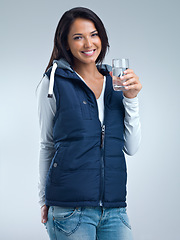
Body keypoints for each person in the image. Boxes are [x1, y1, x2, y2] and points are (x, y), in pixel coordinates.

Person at [37, 7, 142, 240]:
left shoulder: (117, 83)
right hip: (69, 210)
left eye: (94, 34)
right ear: (65, 43)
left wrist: (132, 99)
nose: (88, 43)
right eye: (78, 37)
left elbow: (131, 148)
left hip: (115, 210)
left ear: (102, 38)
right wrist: (44, 200)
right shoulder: (54, 83)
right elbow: (47, 145)